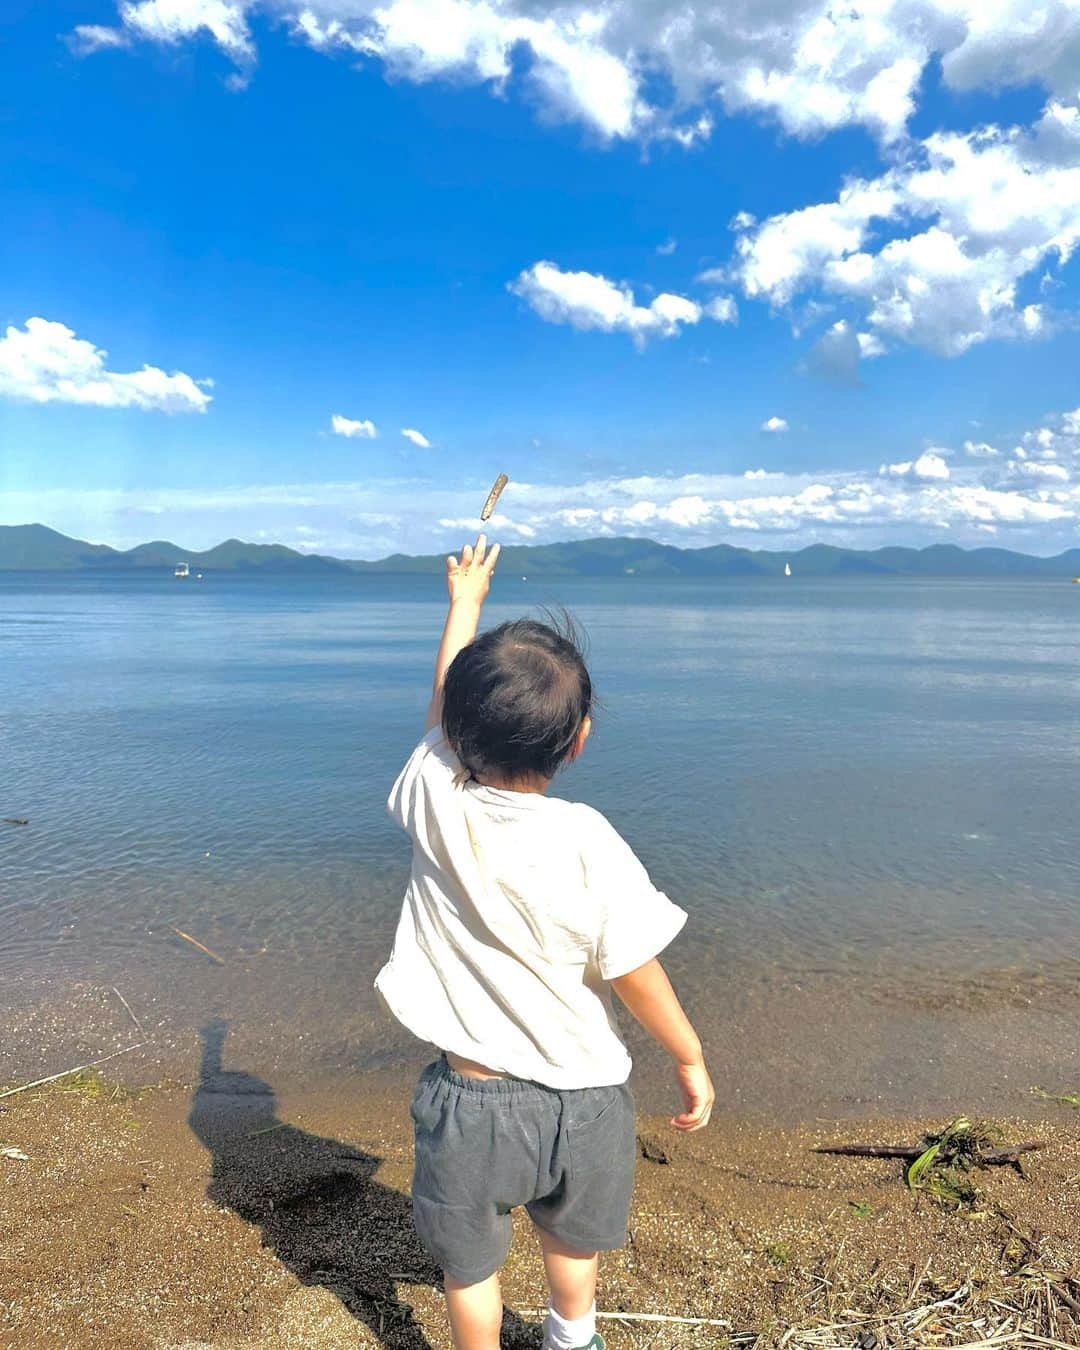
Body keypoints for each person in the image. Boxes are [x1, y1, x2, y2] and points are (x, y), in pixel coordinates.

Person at [376, 533, 715, 1350]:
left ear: (455, 734)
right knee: (572, 1243)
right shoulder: (590, 837)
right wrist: (689, 1055)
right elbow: (634, 970)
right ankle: (573, 1338)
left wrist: (464, 605)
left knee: (471, 1270)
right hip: (587, 1101)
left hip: (473, 1103)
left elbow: (439, 711)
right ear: (580, 739)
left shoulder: (435, 799)